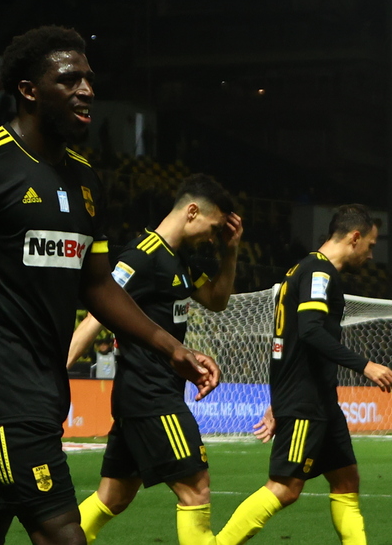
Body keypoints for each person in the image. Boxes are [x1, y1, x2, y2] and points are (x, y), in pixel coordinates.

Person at [0, 26, 220, 545]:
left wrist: (171, 348)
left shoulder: (85, 181)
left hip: (45, 392)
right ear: (29, 90)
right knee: (63, 533)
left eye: (89, 79)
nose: (86, 90)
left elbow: (97, 286)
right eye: (69, 79)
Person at [64, 174, 243, 544]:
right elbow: (95, 317)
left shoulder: (179, 260)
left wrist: (230, 252)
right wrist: (53, 371)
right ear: (191, 212)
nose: (213, 237)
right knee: (196, 489)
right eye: (213, 228)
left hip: (144, 395)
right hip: (151, 396)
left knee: (114, 496)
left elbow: (216, 300)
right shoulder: (141, 256)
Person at [236, 204, 392, 544]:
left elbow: (288, 341)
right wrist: (366, 365)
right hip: (307, 401)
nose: (371, 255)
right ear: (355, 237)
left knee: (346, 481)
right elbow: (309, 331)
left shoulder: (305, 269)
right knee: (285, 487)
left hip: (320, 400)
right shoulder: (318, 272)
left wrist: (279, 398)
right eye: (370, 245)